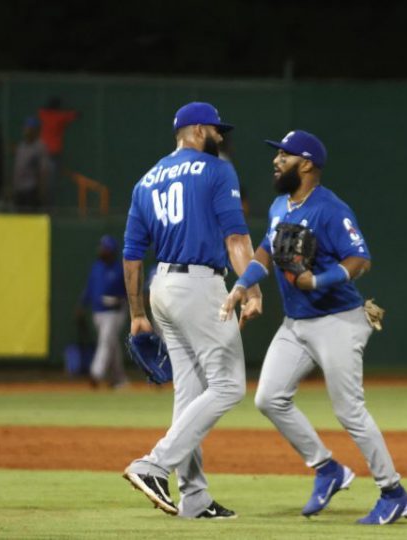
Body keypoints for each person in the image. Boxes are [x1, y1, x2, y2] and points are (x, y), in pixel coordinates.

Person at [220, 130, 407, 525]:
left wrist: (318, 281)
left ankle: (394, 492)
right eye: (277, 155)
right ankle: (328, 469)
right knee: (269, 398)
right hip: (296, 324)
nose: (276, 161)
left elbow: (360, 259)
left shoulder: (329, 208)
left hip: (338, 322)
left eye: (284, 155)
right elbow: (265, 251)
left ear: (306, 163)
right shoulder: (280, 205)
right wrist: (243, 283)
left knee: (349, 411)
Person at [121, 101, 262, 519]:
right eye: (217, 130)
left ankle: (194, 497)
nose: (221, 137)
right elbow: (236, 238)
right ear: (198, 130)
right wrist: (250, 287)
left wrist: (137, 313)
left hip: (160, 288)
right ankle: (153, 464)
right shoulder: (217, 170)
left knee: (191, 393)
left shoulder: (146, 180)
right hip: (198, 284)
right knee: (229, 386)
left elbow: (131, 255)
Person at [77, 235, 129, 389]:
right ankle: (119, 379)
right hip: (98, 312)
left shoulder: (120, 269)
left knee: (105, 341)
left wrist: (119, 299)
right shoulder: (97, 267)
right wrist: (81, 304)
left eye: (104, 248)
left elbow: (129, 292)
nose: (101, 250)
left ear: (112, 251)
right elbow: (90, 288)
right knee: (111, 344)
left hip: (115, 313)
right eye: (101, 247)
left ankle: (96, 373)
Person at [38, 96, 79, 198]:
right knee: (51, 180)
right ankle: (48, 204)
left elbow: (40, 111)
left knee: (42, 178)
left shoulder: (44, 114)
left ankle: (44, 202)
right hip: (53, 152)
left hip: (42, 150)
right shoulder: (60, 116)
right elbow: (75, 115)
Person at [12, 116, 50, 212]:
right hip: (19, 190)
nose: (26, 130)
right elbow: (17, 168)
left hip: (31, 190)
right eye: (25, 128)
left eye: (29, 128)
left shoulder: (40, 147)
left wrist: (42, 192)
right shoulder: (22, 146)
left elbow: (43, 171)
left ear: (36, 130)